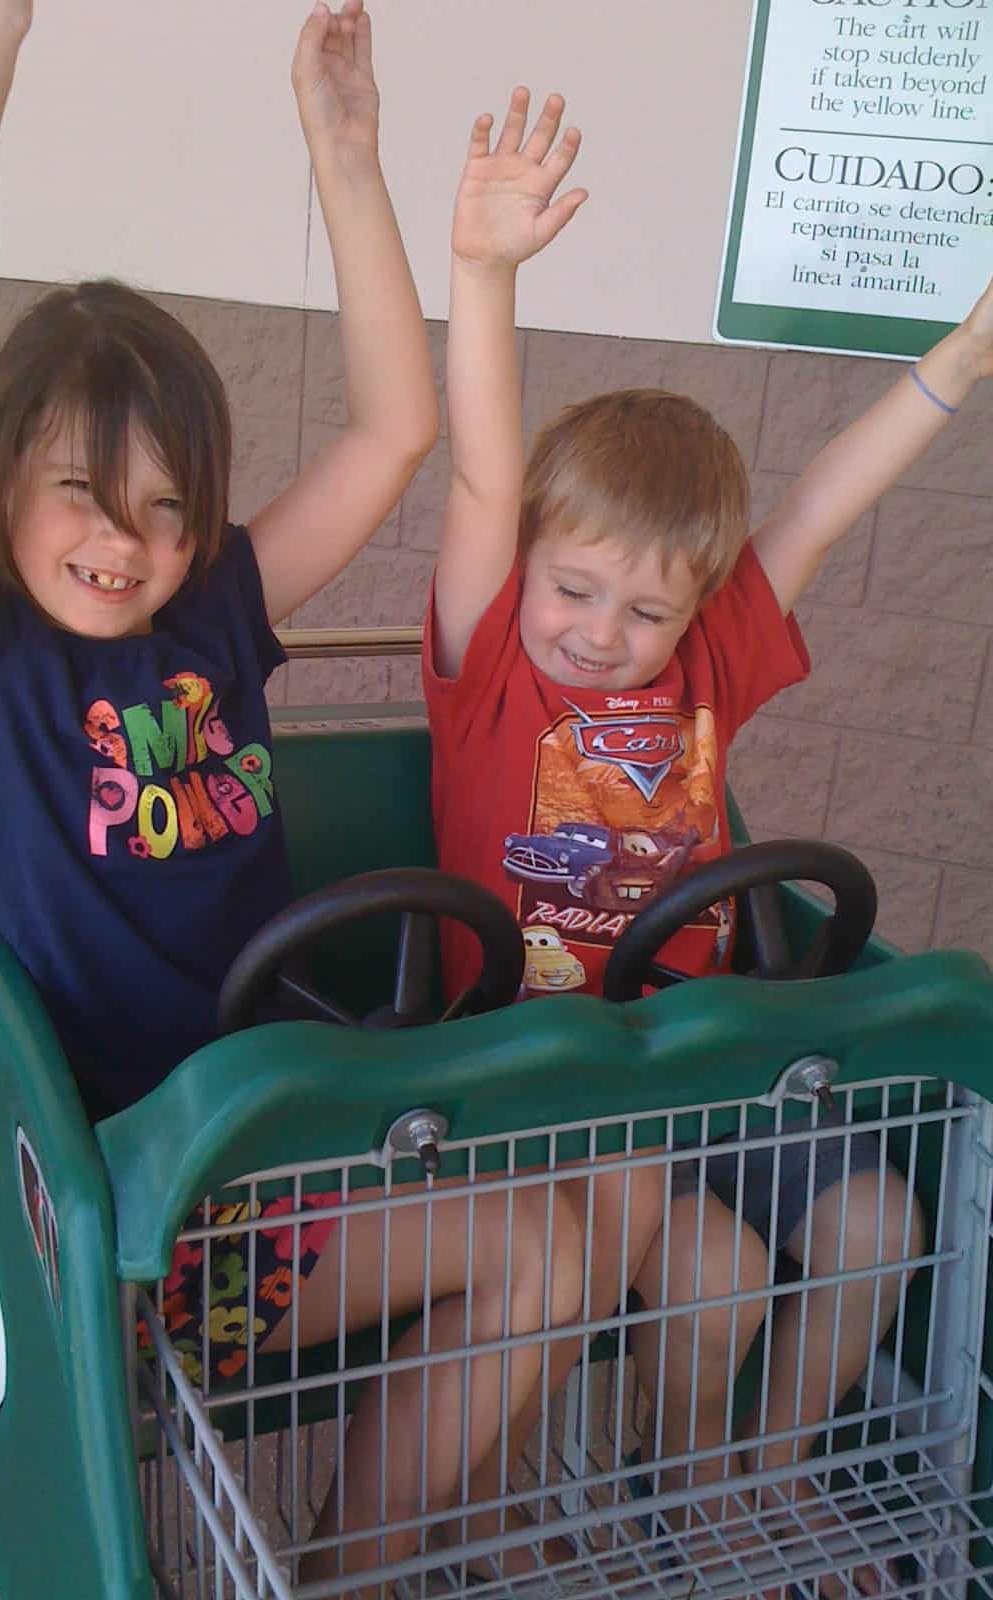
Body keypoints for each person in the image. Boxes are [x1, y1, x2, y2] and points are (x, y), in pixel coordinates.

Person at [0, 4, 653, 1589]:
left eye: (169, 505)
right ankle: (357, 1564)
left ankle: (408, 1543)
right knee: (543, 1252)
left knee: (605, 1212)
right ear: (5, 495)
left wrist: (345, 154)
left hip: (300, 1133)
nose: (129, 538)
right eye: (85, 497)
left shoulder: (212, 617)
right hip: (144, 1229)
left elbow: (395, 430)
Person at [423, 84, 993, 1595]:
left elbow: (817, 503)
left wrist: (961, 359)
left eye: (647, 608)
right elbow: (484, 468)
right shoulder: (494, 674)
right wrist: (484, 274)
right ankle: (611, 1490)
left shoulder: (712, 668)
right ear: (528, 575)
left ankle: (770, 1473)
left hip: (708, 1048)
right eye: (577, 592)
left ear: (696, 609)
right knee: (713, 1267)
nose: (604, 635)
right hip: (547, 1066)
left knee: (877, 1218)